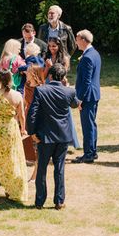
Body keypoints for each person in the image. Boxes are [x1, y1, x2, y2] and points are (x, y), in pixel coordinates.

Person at [27, 64, 79, 209]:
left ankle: (39, 201)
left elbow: (32, 114)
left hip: (45, 136)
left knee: (42, 169)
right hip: (63, 136)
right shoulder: (69, 91)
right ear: (63, 77)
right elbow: (75, 104)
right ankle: (59, 201)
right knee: (60, 168)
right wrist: (68, 86)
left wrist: (31, 132)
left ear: (50, 76)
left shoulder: (40, 90)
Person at [0, 69, 28, 203]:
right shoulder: (17, 95)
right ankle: (9, 187)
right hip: (10, 128)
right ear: (11, 79)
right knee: (10, 157)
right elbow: (21, 115)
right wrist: (23, 129)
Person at [73, 29, 101, 164]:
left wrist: (79, 99)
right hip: (94, 95)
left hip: (88, 96)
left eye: (77, 39)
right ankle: (93, 151)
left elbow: (86, 81)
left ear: (83, 40)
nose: (76, 42)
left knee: (88, 126)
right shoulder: (94, 53)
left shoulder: (88, 57)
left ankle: (89, 154)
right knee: (92, 124)